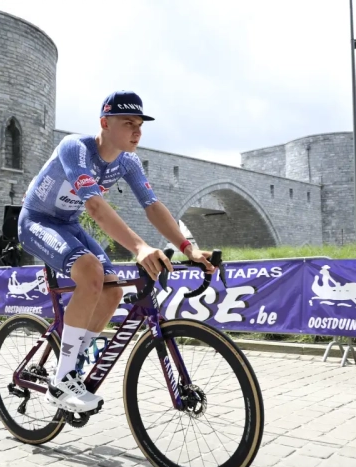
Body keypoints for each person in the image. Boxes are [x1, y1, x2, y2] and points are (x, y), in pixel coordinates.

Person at [19, 90, 215, 413]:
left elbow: (153, 207)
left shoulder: (127, 161)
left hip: (66, 223)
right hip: (37, 221)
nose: (137, 131)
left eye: (139, 124)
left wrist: (188, 248)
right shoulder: (75, 149)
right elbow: (95, 207)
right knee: (91, 273)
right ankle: (61, 380)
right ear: (104, 124)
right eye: (128, 123)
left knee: (111, 291)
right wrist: (139, 247)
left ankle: (75, 360)